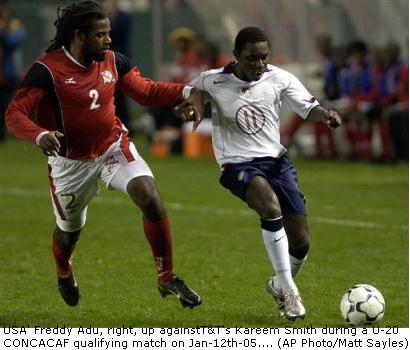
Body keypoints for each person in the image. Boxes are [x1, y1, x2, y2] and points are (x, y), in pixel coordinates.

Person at [5, 1, 203, 308]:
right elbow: (14, 113)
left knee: (148, 195)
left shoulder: (113, 61)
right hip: (70, 163)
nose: (108, 40)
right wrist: (40, 134)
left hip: (112, 144)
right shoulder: (47, 70)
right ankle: (63, 267)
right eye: (101, 34)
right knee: (68, 232)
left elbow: (145, 91)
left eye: (108, 33)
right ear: (79, 36)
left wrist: (187, 92)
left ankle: (166, 278)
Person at [180, 27, 341, 320]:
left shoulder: (280, 78)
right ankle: (290, 291)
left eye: (263, 58)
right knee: (269, 207)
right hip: (237, 163)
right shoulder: (214, 79)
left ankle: (278, 284)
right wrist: (193, 108)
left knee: (302, 241)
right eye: (252, 58)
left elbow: (309, 108)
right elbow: (195, 93)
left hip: (277, 161)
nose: (259, 64)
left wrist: (327, 115)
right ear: (237, 56)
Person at [0, 1, 26, 142]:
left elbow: (15, 40)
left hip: (9, 72)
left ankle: (5, 132)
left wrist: (4, 32)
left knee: (6, 103)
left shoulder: (14, 24)